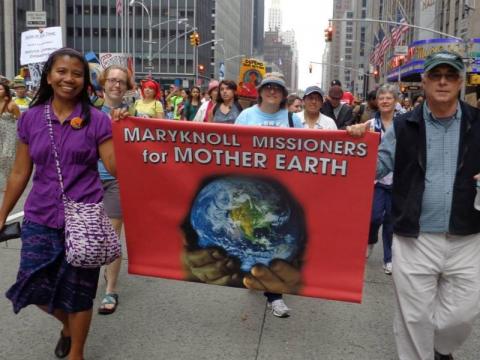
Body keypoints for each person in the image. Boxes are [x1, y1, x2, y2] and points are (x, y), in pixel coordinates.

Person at [347, 50, 480, 360]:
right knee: (414, 319)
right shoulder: (404, 125)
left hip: (469, 237)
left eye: (450, 75)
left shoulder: (477, 122)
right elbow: (377, 165)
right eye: (436, 75)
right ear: (424, 81)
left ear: (460, 81)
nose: (443, 81)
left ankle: (441, 349)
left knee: (460, 317)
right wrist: (356, 145)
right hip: (414, 237)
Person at [0, 47, 116, 360]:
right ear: (49, 76)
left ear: (85, 81)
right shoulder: (31, 119)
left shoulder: (98, 120)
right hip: (40, 216)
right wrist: (2, 215)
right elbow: (20, 172)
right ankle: (67, 326)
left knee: (79, 292)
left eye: (77, 74)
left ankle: (76, 351)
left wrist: (127, 132)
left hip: (85, 218)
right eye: (62, 71)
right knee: (32, 284)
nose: (69, 79)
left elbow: (116, 168)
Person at [95, 65, 134, 315]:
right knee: (88, 234)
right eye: (112, 80)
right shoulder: (89, 111)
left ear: (127, 87)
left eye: (121, 81)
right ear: (103, 83)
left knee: (111, 237)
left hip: (118, 181)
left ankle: (110, 289)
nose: (116, 85)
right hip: (88, 181)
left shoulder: (134, 115)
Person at [363, 84, 400, 275]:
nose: (385, 101)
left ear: (396, 101)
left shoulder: (405, 123)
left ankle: (388, 258)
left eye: (389, 98)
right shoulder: (370, 124)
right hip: (376, 181)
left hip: (398, 180)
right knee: (374, 217)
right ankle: (370, 239)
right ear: (377, 102)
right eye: (382, 98)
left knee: (391, 221)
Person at [0, 82, 21, 190]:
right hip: (0, 135)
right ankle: (8, 179)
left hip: (10, 134)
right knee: (1, 158)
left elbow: (21, 120)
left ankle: (11, 181)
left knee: (7, 156)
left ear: (6, 91)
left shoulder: (12, 105)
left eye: (0, 89)